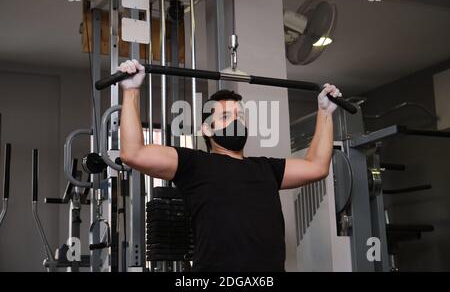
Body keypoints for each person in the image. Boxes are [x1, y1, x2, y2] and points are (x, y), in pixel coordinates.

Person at [119, 59, 342, 271]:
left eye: (240, 116)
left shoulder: (267, 169)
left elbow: (317, 166)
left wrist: (325, 113)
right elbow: (134, 153)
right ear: (207, 129)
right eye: (226, 116)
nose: (236, 122)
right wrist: (131, 91)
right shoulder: (194, 164)